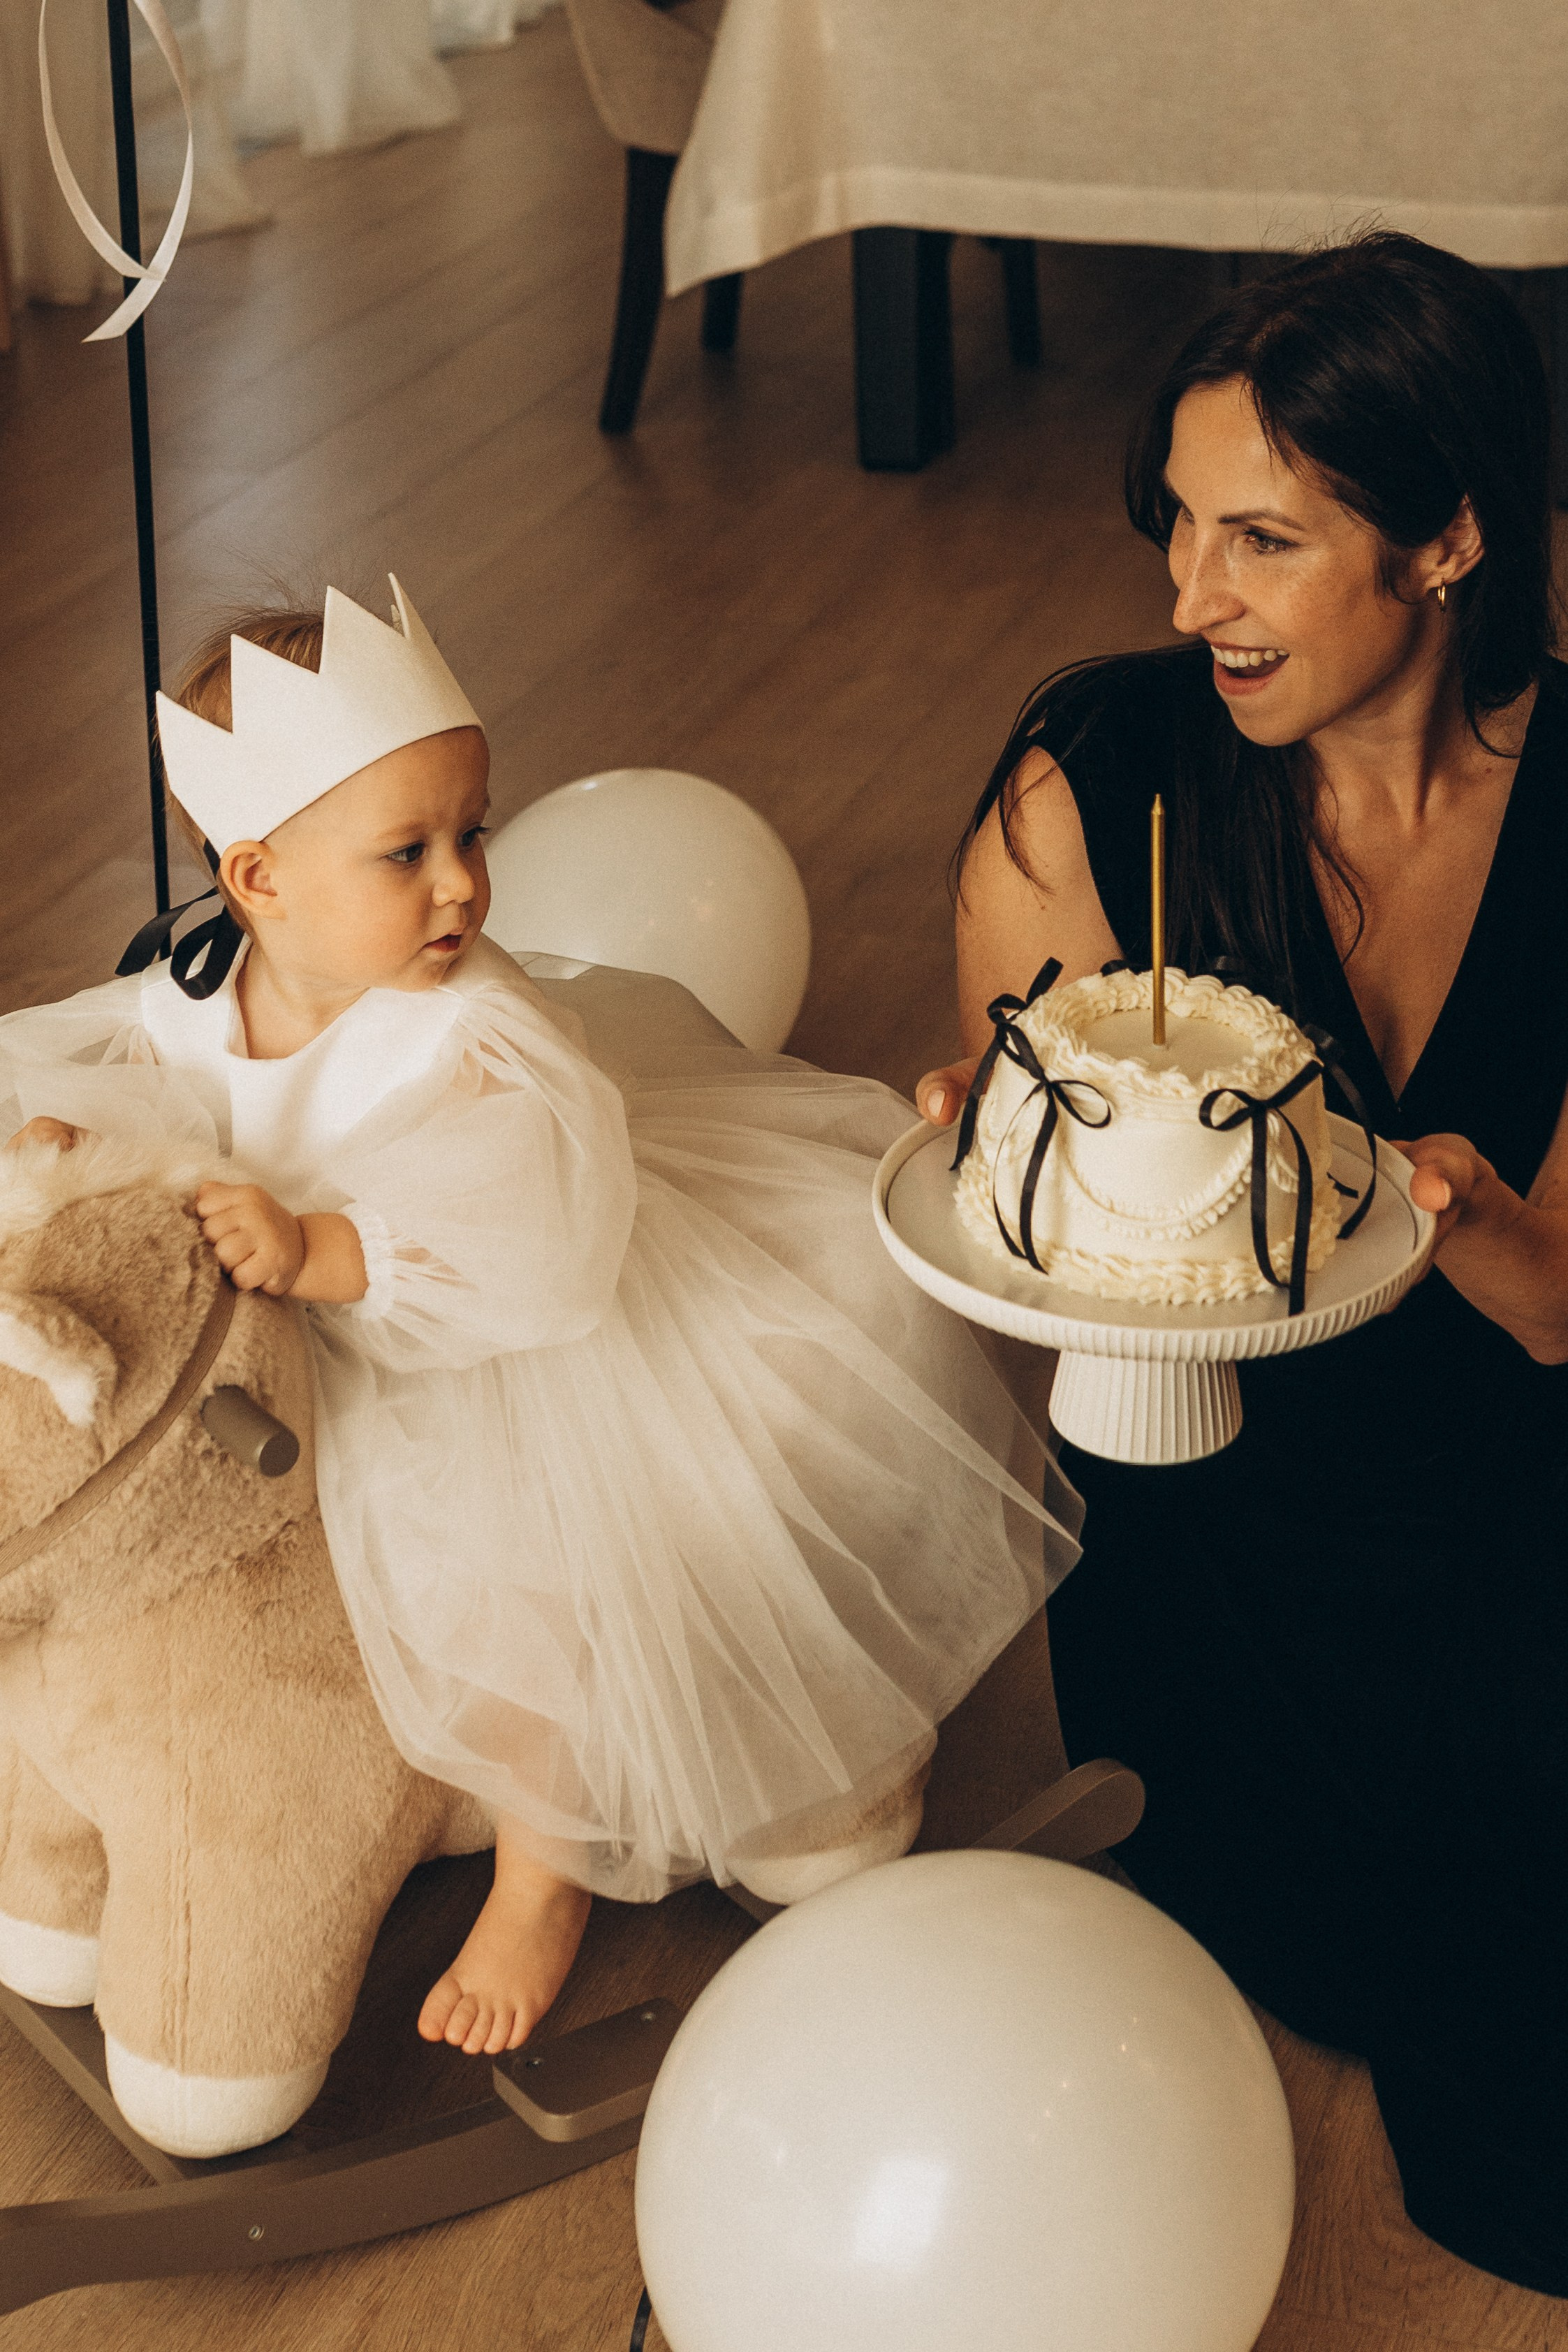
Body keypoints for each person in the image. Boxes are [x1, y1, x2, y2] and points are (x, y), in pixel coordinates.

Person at [1, 580, 1081, 2060]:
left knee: (511, 1594)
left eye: (475, 833)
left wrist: (328, 1246)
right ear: (257, 880)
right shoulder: (192, 991)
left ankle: (541, 1871)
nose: (462, 885)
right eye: (408, 852)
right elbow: (133, 1084)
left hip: (485, 1351)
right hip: (272, 1347)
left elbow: (540, 1222)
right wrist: (82, 1147)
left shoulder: (473, 1025)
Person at [918, 231, 1568, 2293]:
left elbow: (1563, 1311)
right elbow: (1055, 1275)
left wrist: (1462, 1213)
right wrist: (1005, 1156)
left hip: (1510, 1488)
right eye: (1179, 527)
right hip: (1212, 1510)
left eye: (1260, 543)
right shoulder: (1091, 784)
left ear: (1447, 540)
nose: (1187, 598)